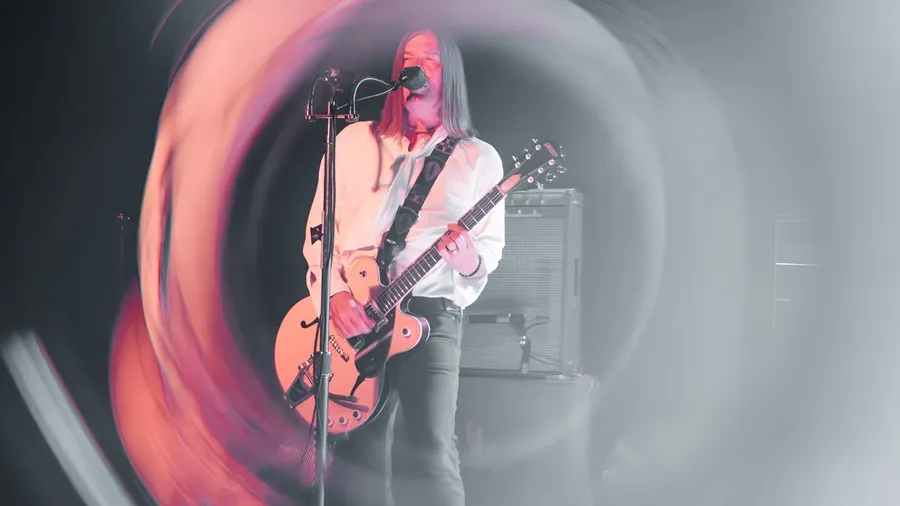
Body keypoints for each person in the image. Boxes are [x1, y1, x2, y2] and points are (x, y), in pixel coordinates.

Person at [302, 29, 506, 506]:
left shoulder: (478, 158)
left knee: (429, 450)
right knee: (357, 454)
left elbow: (488, 254)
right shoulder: (352, 141)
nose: (413, 67)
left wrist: (468, 260)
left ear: (449, 75)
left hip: (430, 315)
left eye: (428, 59)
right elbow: (319, 232)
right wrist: (333, 296)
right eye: (407, 58)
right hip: (353, 313)